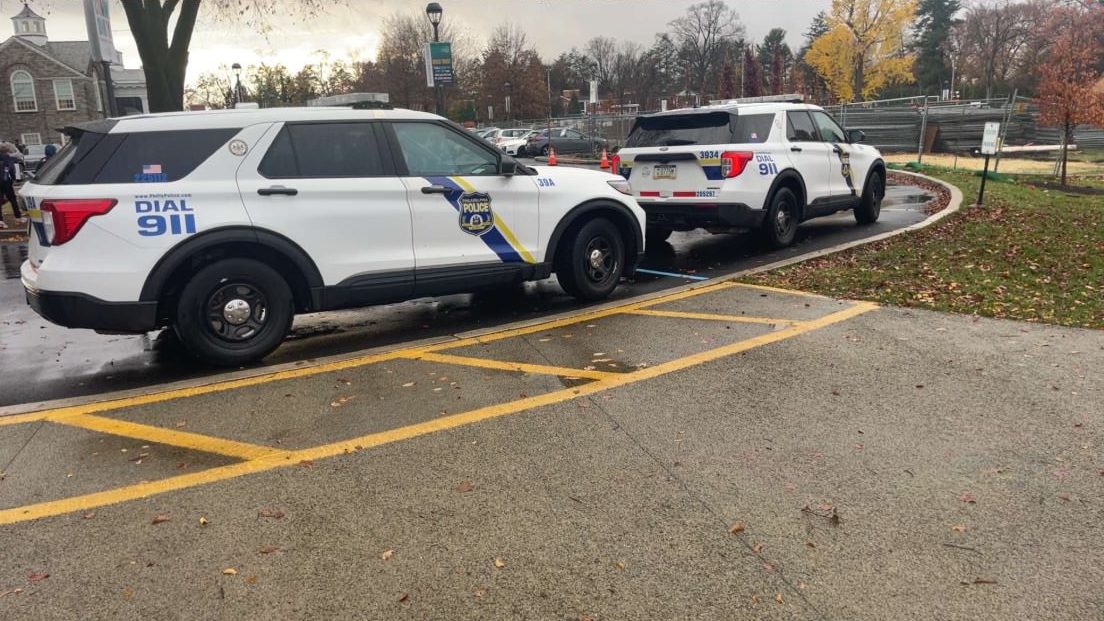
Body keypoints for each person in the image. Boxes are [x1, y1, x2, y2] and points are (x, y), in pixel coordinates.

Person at [0, 143, 24, 228]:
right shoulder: (8, 158)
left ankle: (1, 221)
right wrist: (14, 178)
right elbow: (11, 169)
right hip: (6, 180)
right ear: (7, 151)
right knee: (12, 199)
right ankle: (18, 217)